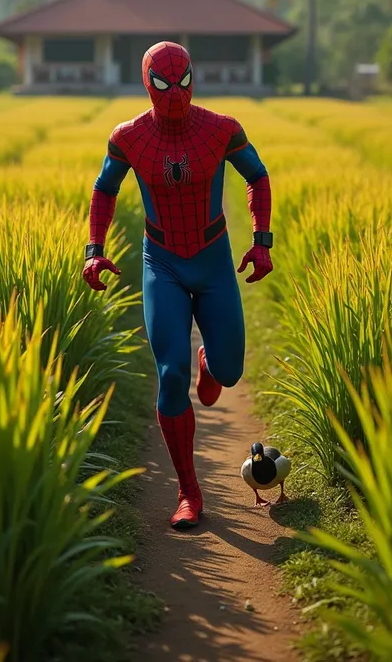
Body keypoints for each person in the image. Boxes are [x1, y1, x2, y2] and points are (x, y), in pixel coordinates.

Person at [82, 41, 273, 529]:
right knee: (170, 375)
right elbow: (105, 188)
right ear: (147, 83)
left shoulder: (222, 129)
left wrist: (262, 241)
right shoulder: (128, 137)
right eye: (164, 84)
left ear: (195, 76)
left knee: (227, 375)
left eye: (183, 81)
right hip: (161, 261)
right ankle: (190, 493)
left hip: (212, 259)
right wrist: (94, 249)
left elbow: (257, 175)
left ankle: (211, 360)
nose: (175, 93)